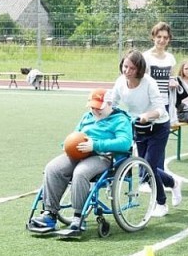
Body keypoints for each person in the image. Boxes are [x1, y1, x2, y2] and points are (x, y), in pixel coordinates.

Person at [29, 89, 134, 237]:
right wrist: (67, 145)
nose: (95, 110)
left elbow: (124, 143)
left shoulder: (121, 120)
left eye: (99, 107)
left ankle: (78, 217)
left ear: (110, 104)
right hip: (78, 153)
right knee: (52, 168)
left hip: (104, 156)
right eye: (92, 107)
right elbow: (76, 134)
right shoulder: (87, 116)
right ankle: (50, 213)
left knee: (81, 172)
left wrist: (95, 145)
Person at [111, 49, 181, 218]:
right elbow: (112, 102)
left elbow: (159, 108)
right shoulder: (120, 82)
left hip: (158, 127)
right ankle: (173, 182)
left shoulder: (148, 82)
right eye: (125, 67)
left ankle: (161, 203)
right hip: (139, 128)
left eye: (132, 68)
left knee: (148, 166)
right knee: (146, 168)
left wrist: (147, 115)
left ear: (140, 69)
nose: (127, 71)